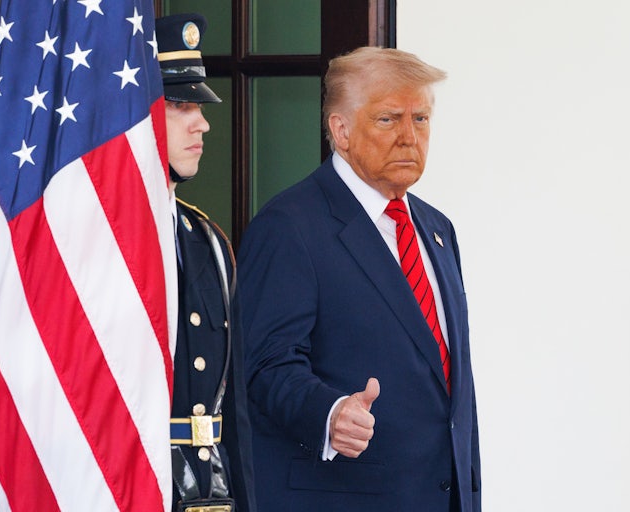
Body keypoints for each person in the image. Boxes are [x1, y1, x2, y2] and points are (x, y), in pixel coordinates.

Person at [237, 46, 481, 512]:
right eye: (389, 119)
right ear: (341, 130)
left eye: (421, 119)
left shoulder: (436, 228)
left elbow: (449, 391)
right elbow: (264, 366)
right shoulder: (288, 226)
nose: (410, 137)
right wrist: (328, 413)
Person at [156, 13, 256, 512]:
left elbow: (234, 410)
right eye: (180, 104)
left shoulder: (208, 240)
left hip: (210, 494)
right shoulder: (96, 245)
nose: (203, 122)